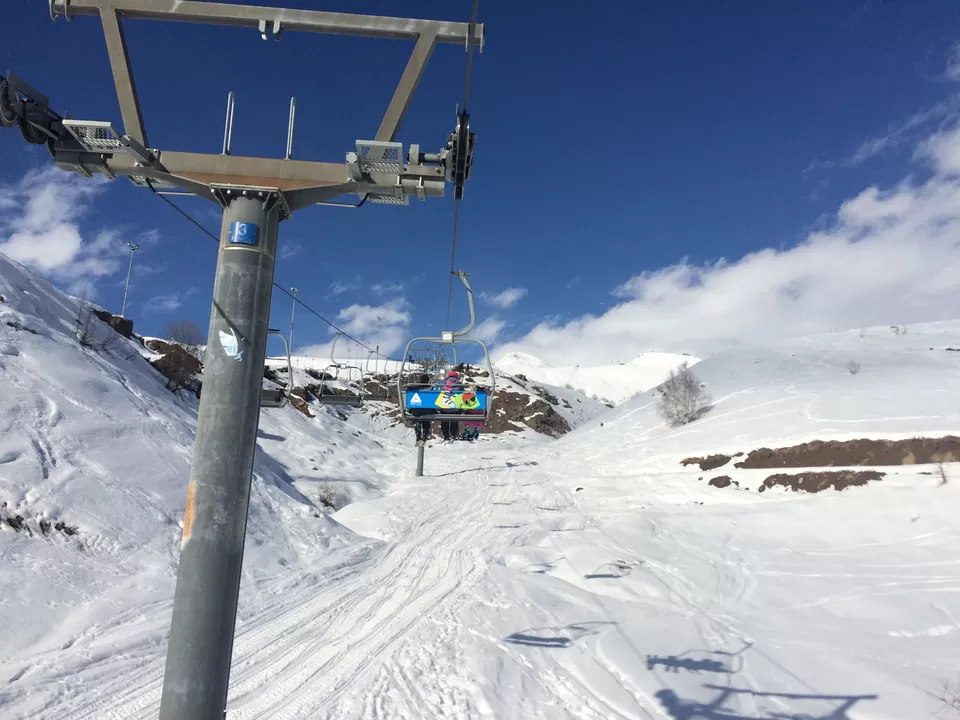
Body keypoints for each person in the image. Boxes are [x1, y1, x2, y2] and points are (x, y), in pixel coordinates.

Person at [407, 373, 432, 443]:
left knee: (418, 414)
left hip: (415, 410)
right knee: (426, 417)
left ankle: (418, 431)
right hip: (427, 410)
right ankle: (425, 432)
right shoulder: (430, 388)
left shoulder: (415, 388)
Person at [440, 369, 463, 441]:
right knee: (455, 419)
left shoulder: (444, 384)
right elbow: (462, 395)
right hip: (456, 409)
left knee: (444, 419)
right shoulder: (459, 385)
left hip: (445, 408)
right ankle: (453, 434)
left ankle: (445, 434)